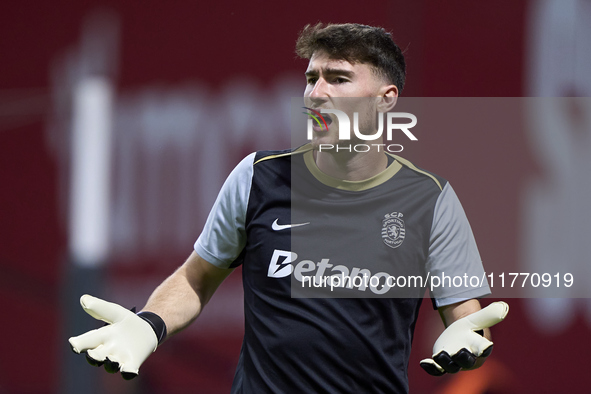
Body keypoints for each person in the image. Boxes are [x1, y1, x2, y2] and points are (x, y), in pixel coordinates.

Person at [69, 23, 508, 393]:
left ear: (385, 98)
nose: (316, 93)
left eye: (338, 79)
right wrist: (150, 323)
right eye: (310, 78)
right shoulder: (258, 177)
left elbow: (467, 319)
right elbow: (195, 278)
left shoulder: (430, 199)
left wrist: (467, 339)